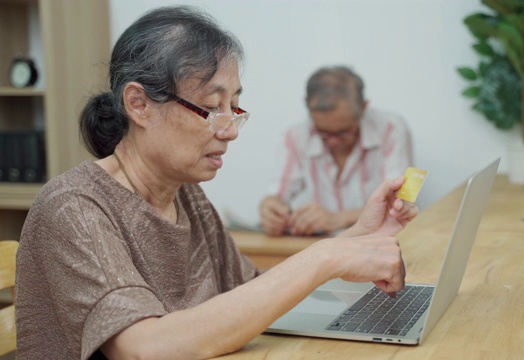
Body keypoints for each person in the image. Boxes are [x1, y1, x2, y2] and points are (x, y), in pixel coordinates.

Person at [14, 6, 419, 360]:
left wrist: (353, 238)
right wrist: (325, 257)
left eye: (234, 107)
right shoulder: (74, 207)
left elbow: (255, 296)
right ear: (138, 104)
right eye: (211, 108)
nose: (230, 131)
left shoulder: (185, 194)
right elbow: (143, 349)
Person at [259, 66, 413, 236]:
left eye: (343, 132)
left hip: (380, 246)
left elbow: (403, 203)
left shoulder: (394, 129)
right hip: (323, 249)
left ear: (363, 108)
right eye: (323, 133)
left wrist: (337, 218)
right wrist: (270, 209)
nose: (333, 142)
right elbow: (275, 195)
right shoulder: (295, 136)